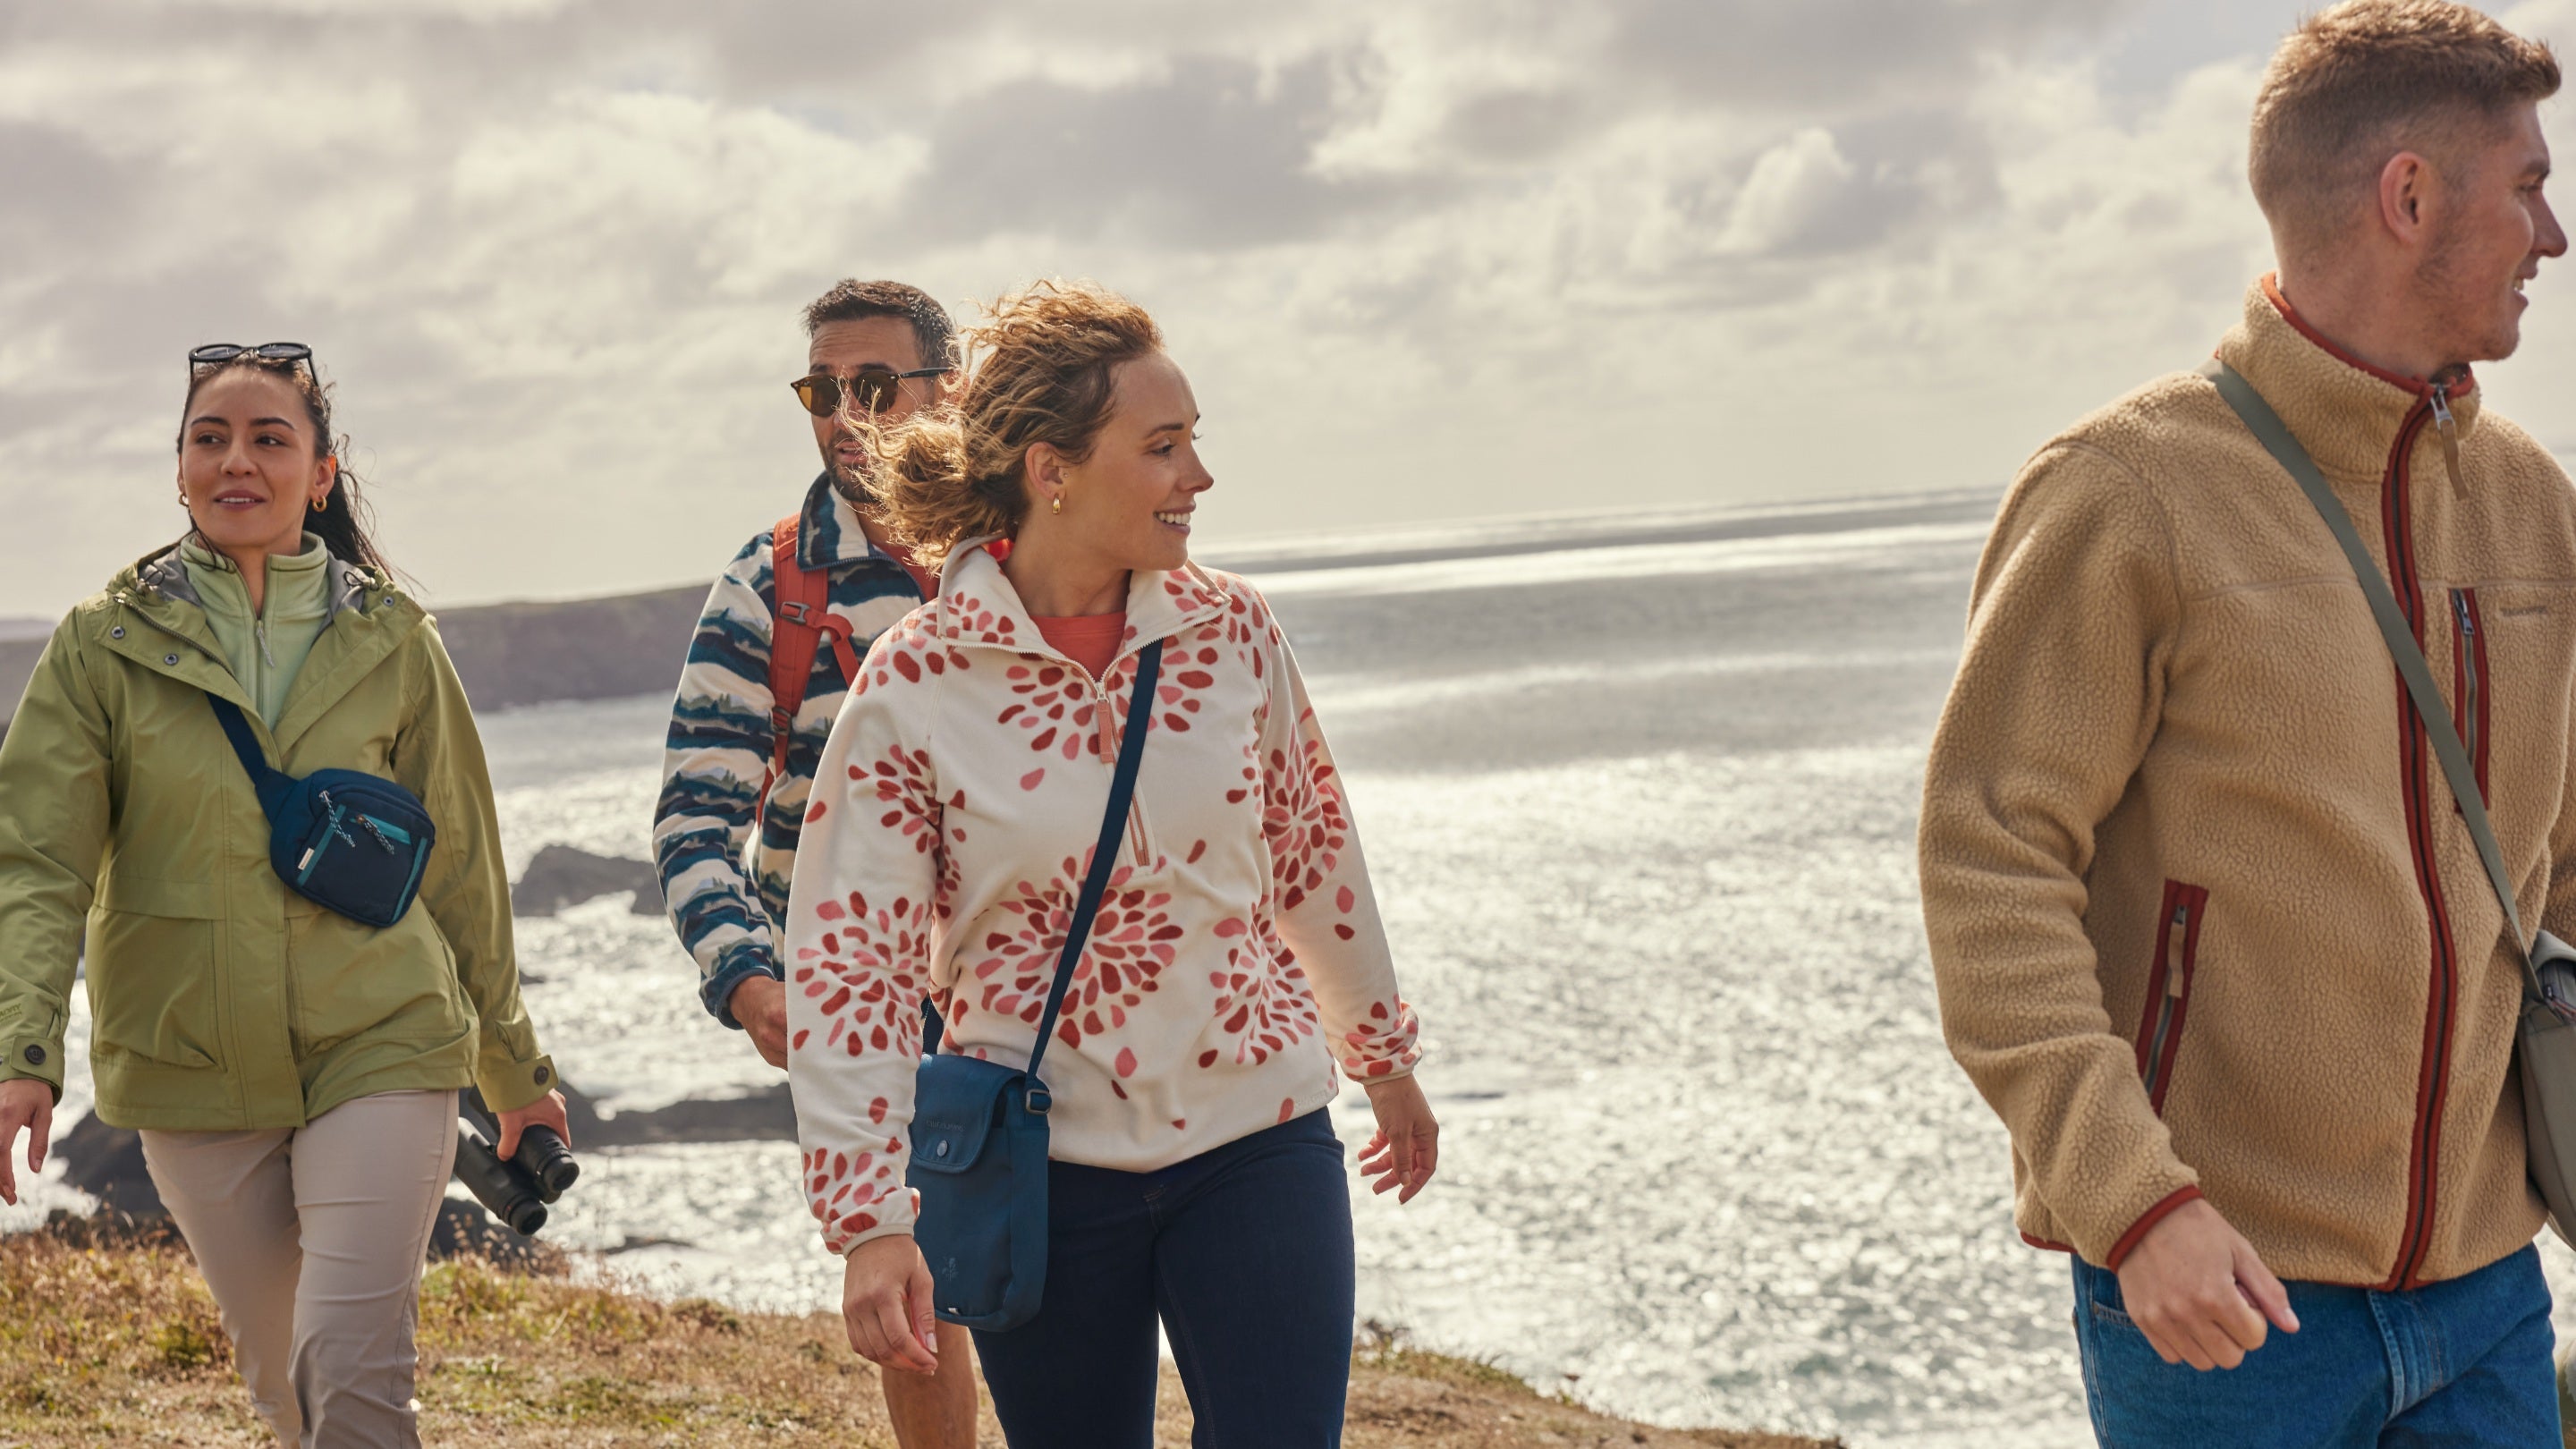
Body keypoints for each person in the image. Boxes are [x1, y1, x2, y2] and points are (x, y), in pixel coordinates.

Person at [1918, 3, 2574, 1443]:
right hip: (2224, 1306)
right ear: (2409, 198)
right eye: (2527, 185)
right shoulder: (2124, 492)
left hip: (2489, 1296)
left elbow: (2566, 869)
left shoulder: (2533, 503)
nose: (2554, 234)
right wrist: (2132, 1202)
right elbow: (1989, 873)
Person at [782, 280, 1438, 1447]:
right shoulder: (915, 687)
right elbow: (852, 969)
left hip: (1260, 1135)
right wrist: (869, 1217)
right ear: (1053, 470)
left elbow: (1312, 848)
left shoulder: (1233, 632)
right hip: (1041, 1169)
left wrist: (1382, 1058)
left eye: (1196, 445)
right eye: (1165, 447)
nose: (1199, 477)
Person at [0, 343, 568, 1447]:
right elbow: (38, 864)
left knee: (355, 1369)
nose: (236, 462)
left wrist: (513, 1070)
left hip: (385, 1040)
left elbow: (461, 872)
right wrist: (23, 1049)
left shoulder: (398, 641)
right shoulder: (97, 648)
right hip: (189, 1064)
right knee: (285, 1384)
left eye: (270, 439)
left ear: (322, 472)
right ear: (178, 469)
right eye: (210, 438)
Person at [649, 279, 982, 1444]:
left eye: (875, 387)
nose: (845, 414)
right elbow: (695, 825)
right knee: (916, 1292)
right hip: (863, 1009)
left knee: (1050, 1279)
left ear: (957, 392)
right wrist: (752, 982)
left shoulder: (1034, 560)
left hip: (1044, 993)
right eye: (821, 390)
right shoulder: (770, 588)